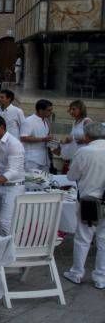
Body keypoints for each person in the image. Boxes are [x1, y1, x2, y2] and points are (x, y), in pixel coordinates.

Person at [63, 123, 105, 289]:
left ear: (87, 136)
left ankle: (77, 273)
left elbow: (72, 175)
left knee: (83, 238)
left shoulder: (84, 151)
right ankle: (101, 277)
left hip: (89, 200)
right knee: (103, 240)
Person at [0, 115, 25, 236]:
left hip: (13, 187)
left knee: (5, 222)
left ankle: (9, 251)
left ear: (2, 127)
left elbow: (13, 172)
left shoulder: (14, 144)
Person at [21, 99, 53, 172]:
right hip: (32, 159)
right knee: (32, 182)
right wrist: (42, 139)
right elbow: (23, 138)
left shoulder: (46, 121)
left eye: (51, 110)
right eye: (49, 110)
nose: (51, 113)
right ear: (41, 110)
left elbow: (46, 138)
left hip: (44, 158)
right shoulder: (29, 121)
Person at [60, 100, 92, 166]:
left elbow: (92, 138)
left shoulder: (87, 121)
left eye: (74, 109)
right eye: (70, 109)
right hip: (75, 153)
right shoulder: (75, 122)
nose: (71, 111)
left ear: (81, 109)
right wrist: (65, 141)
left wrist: (74, 139)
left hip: (84, 154)